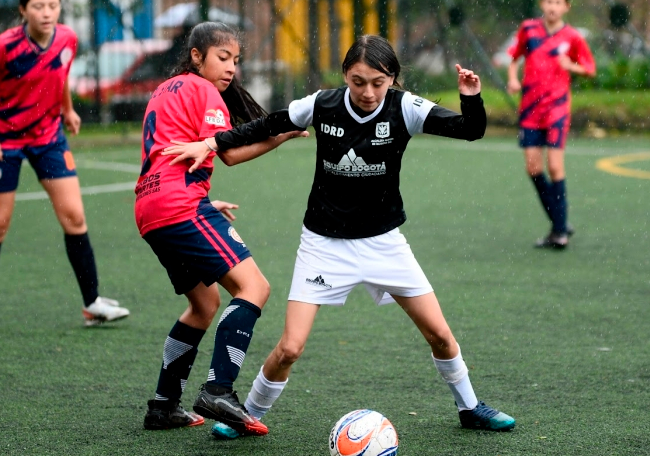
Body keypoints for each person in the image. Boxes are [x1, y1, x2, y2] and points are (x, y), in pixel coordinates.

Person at [165, 34, 515, 438]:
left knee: (439, 334)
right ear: (346, 75)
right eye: (358, 81)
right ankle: (245, 416)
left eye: (378, 83)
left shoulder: (407, 108)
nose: (367, 92)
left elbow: (470, 129)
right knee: (290, 348)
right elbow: (270, 123)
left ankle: (470, 407)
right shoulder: (321, 103)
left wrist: (471, 96)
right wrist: (212, 141)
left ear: (393, 79)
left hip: (384, 242)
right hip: (323, 244)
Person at [135, 21, 307, 433]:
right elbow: (227, 152)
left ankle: (163, 406)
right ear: (197, 56)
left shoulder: (165, 88)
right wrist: (278, 137)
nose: (231, 68)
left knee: (204, 305)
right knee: (255, 288)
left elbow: (165, 154)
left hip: (150, 207)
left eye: (236, 60)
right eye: (223, 57)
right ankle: (218, 390)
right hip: (180, 206)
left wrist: (204, 198)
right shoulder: (203, 89)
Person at [0, 0, 130, 332]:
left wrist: (67, 109)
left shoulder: (68, 38)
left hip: (49, 136)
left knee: (74, 217)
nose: (46, 13)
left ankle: (92, 303)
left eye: (52, 6)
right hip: (5, 140)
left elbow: (60, 74)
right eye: (38, 6)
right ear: (23, 10)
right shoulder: (5, 45)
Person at [507, 0, 596, 249]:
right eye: (549, 2)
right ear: (542, 4)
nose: (553, 7)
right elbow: (514, 57)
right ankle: (560, 222)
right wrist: (512, 79)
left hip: (557, 109)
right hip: (530, 109)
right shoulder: (528, 29)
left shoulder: (573, 37)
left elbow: (590, 68)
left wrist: (572, 66)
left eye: (558, 3)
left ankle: (559, 232)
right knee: (533, 168)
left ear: (566, 7)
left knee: (555, 166)